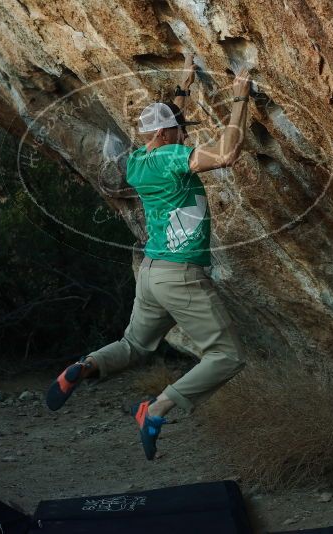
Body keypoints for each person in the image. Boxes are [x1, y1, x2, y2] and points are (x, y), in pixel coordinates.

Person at [46, 55, 252, 460]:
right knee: (227, 356)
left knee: (135, 344)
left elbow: (168, 119)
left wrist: (185, 85)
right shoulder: (171, 157)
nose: (182, 135)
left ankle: (85, 366)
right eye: (178, 131)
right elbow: (227, 154)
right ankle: (156, 408)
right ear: (165, 135)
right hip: (181, 275)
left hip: (152, 274)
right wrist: (241, 98)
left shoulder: (139, 161)